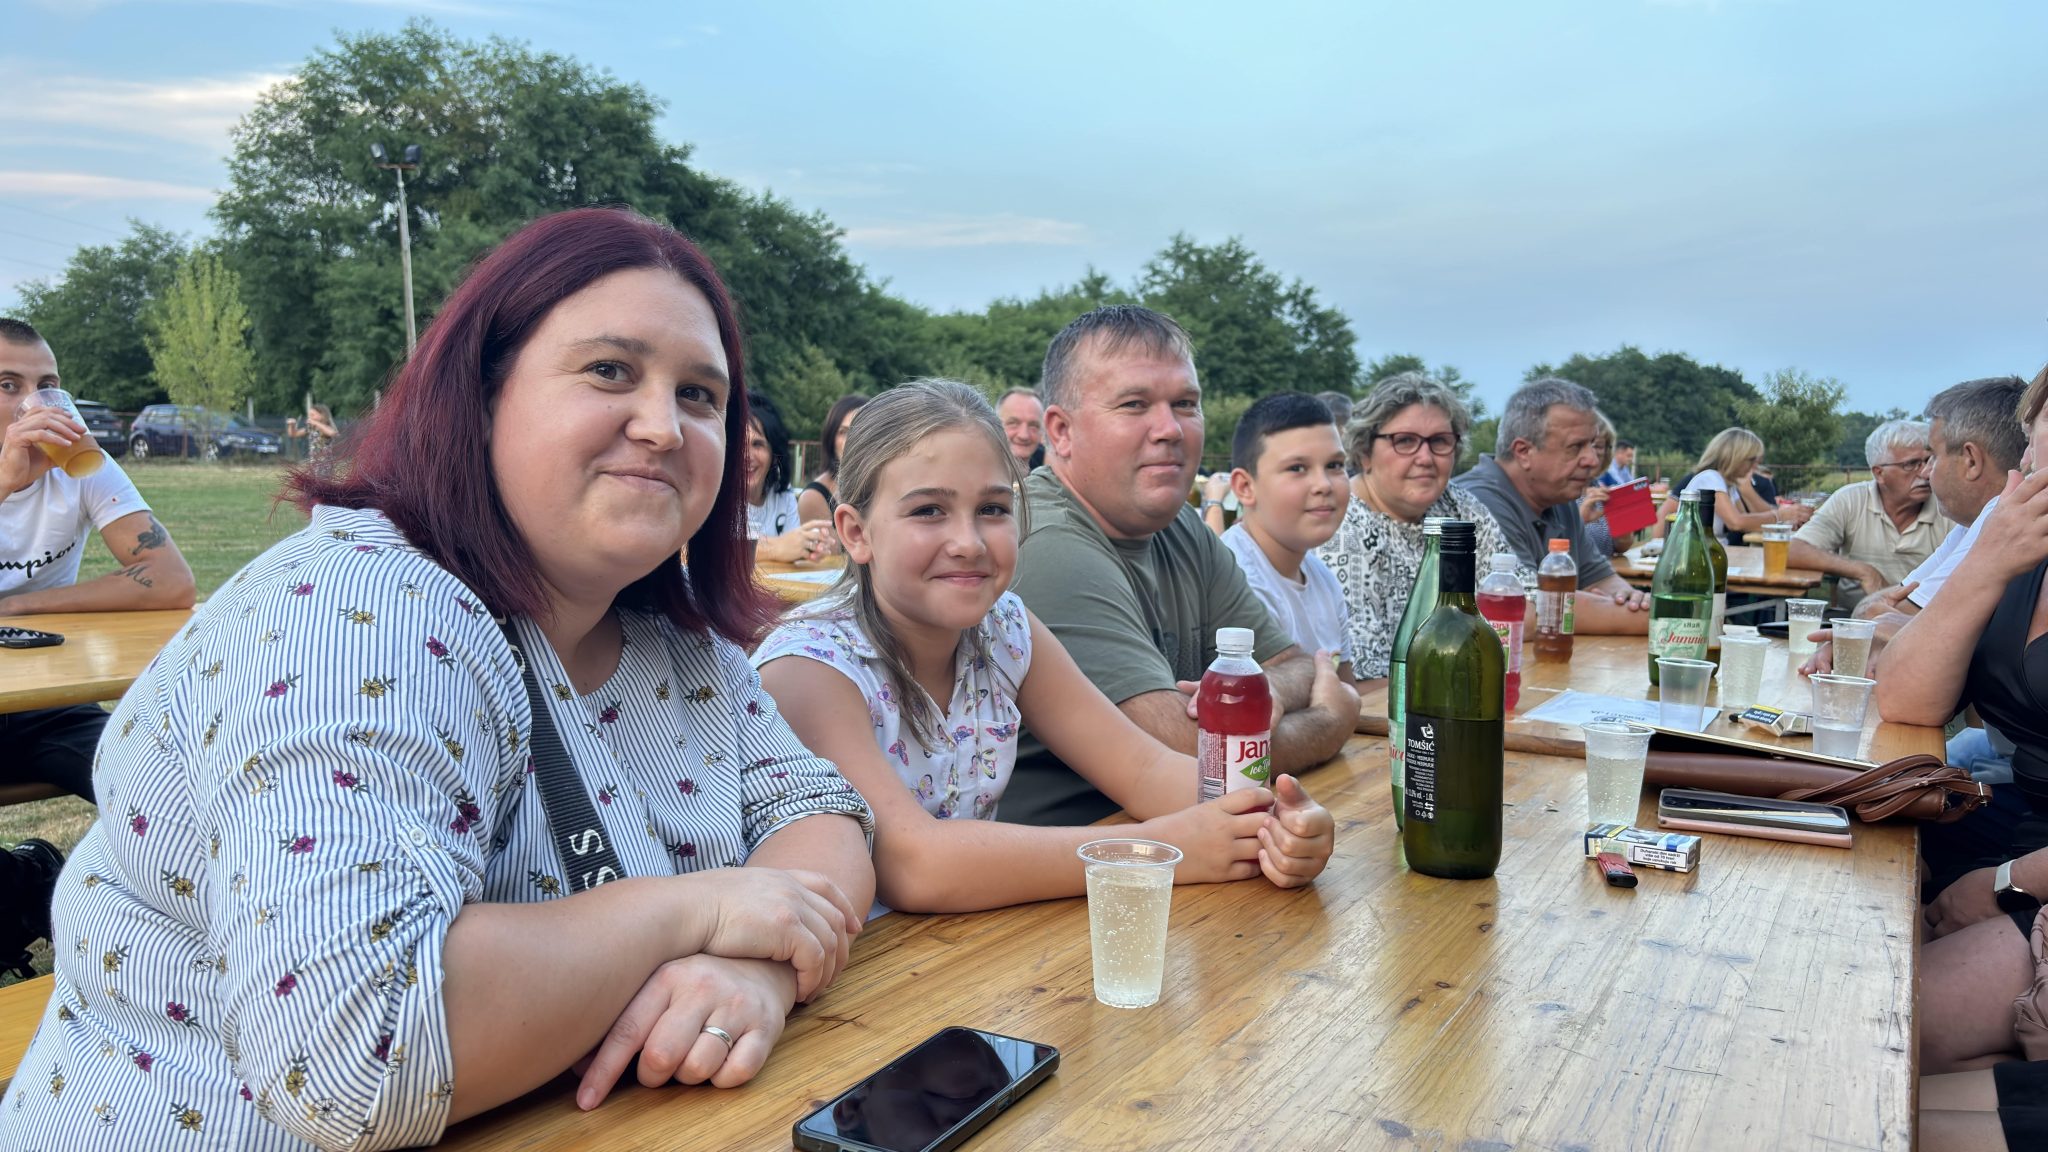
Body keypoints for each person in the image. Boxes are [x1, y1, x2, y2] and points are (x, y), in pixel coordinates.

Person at [0, 209, 878, 1151]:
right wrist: (698, 909)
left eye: (700, 395)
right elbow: (355, 1054)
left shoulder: (675, 640)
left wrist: (753, 972)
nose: (663, 425)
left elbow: (819, 814)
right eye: (610, 370)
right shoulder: (353, 613)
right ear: (481, 395)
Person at [755, 381, 1333, 912]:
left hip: (956, 958)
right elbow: (914, 864)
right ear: (855, 532)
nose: (968, 542)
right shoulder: (810, 668)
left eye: (992, 509)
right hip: (850, 977)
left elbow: (1142, 767)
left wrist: (1267, 818)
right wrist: (1157, 849)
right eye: (928, 510)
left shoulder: (1004, 628)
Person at [1002, 305, 1361, 827]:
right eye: (1134, 404)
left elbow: (1298, 664)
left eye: (1186, 404)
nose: (1170, 429)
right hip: (1080, 866)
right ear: (1060, 432)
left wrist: (1259, 694)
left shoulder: (1179, 526)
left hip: (1172, 844)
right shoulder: (1046, 543)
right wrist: (1329, 719)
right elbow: (1192, 759)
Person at [1882, 364, 2048, 1152]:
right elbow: (1907, 701)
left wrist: (2007, 883)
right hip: (2020, 823)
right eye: (2037, 450)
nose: (2034, 475)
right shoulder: (2019, 549)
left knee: (1878, 1028)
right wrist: (1986, 564)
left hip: (2035, 867)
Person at [0, 316, 196, 976]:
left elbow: (169, 581)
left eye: (47, 385)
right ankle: (29, 886)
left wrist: (14, 605)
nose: (34, 403)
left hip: (45, 703)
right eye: (8, 384)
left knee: (168, 793)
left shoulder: (83, 466)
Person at [1808, 378, 2029, 678]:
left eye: (1933, 456)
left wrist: (1864, 632)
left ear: (1971, 461)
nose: (1925, 472)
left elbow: (1904, 622)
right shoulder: (1972, 522)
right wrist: (1869, 628)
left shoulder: (1999, 516)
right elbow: (1885, 615)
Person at [1316, 372, 1511, 681]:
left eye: (1439, 441)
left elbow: (1521, 608)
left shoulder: (1460, 508)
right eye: (1405, 441)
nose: (1425, 458)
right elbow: (1363, 678)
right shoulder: (1343, 529)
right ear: (1365, 453)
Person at [1449, 377, 1650, 635]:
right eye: (1576, 447)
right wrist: (1650, 618)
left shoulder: (1559, 498)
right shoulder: (1476, 502)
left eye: (1592, 444)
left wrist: (1630, 601)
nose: (1592, 459)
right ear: (1523, 452)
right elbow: (1529, 608)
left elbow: (1601, 579)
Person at [1218, 393, 1355, 681]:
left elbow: (1347, 692)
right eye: (1297, 468)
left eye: (1335, 465)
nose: (1323, 485)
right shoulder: (1235, 582)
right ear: (1245, 487)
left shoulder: (1322, 578)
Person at [1788, 419, 1950, 610]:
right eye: (1911, 464)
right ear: (1879, 473)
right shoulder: (1850, 500)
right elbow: (1793, 551)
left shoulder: (1948, 507)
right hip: (1852, 620)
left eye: (1929, 460)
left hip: (1922, 619)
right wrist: (1864, 571)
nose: (1925, 473)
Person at [744, 392, 836, 564]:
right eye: (738, 445)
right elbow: (704, 550)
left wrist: (809, 547)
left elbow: (790, 551)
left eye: (757, 444)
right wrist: (776, 547)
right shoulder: (715, 497)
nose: (746, 455)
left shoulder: (782, 493)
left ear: (774, 454)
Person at [1668, 428, 1808, 539]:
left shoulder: (1727, 485)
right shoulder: (1711, 478)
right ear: (1736, 457)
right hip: (1698, 555)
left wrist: (1784, 521)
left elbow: (1746, 522)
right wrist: (1779, 516)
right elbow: (1736, 522)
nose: (1755, 467)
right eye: (1752, 460)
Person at [796, 393, 870, 524]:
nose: (851, 440)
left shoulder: (885, 483)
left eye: (860, 431)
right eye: (844, 432)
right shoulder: (814, 497)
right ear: (831, 438)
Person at [996, 387, 1045, 471]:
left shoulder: (1052, 472)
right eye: (1013, 423)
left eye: (1033, 426)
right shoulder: (976, 469)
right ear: (995, 424)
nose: (1024, 435)